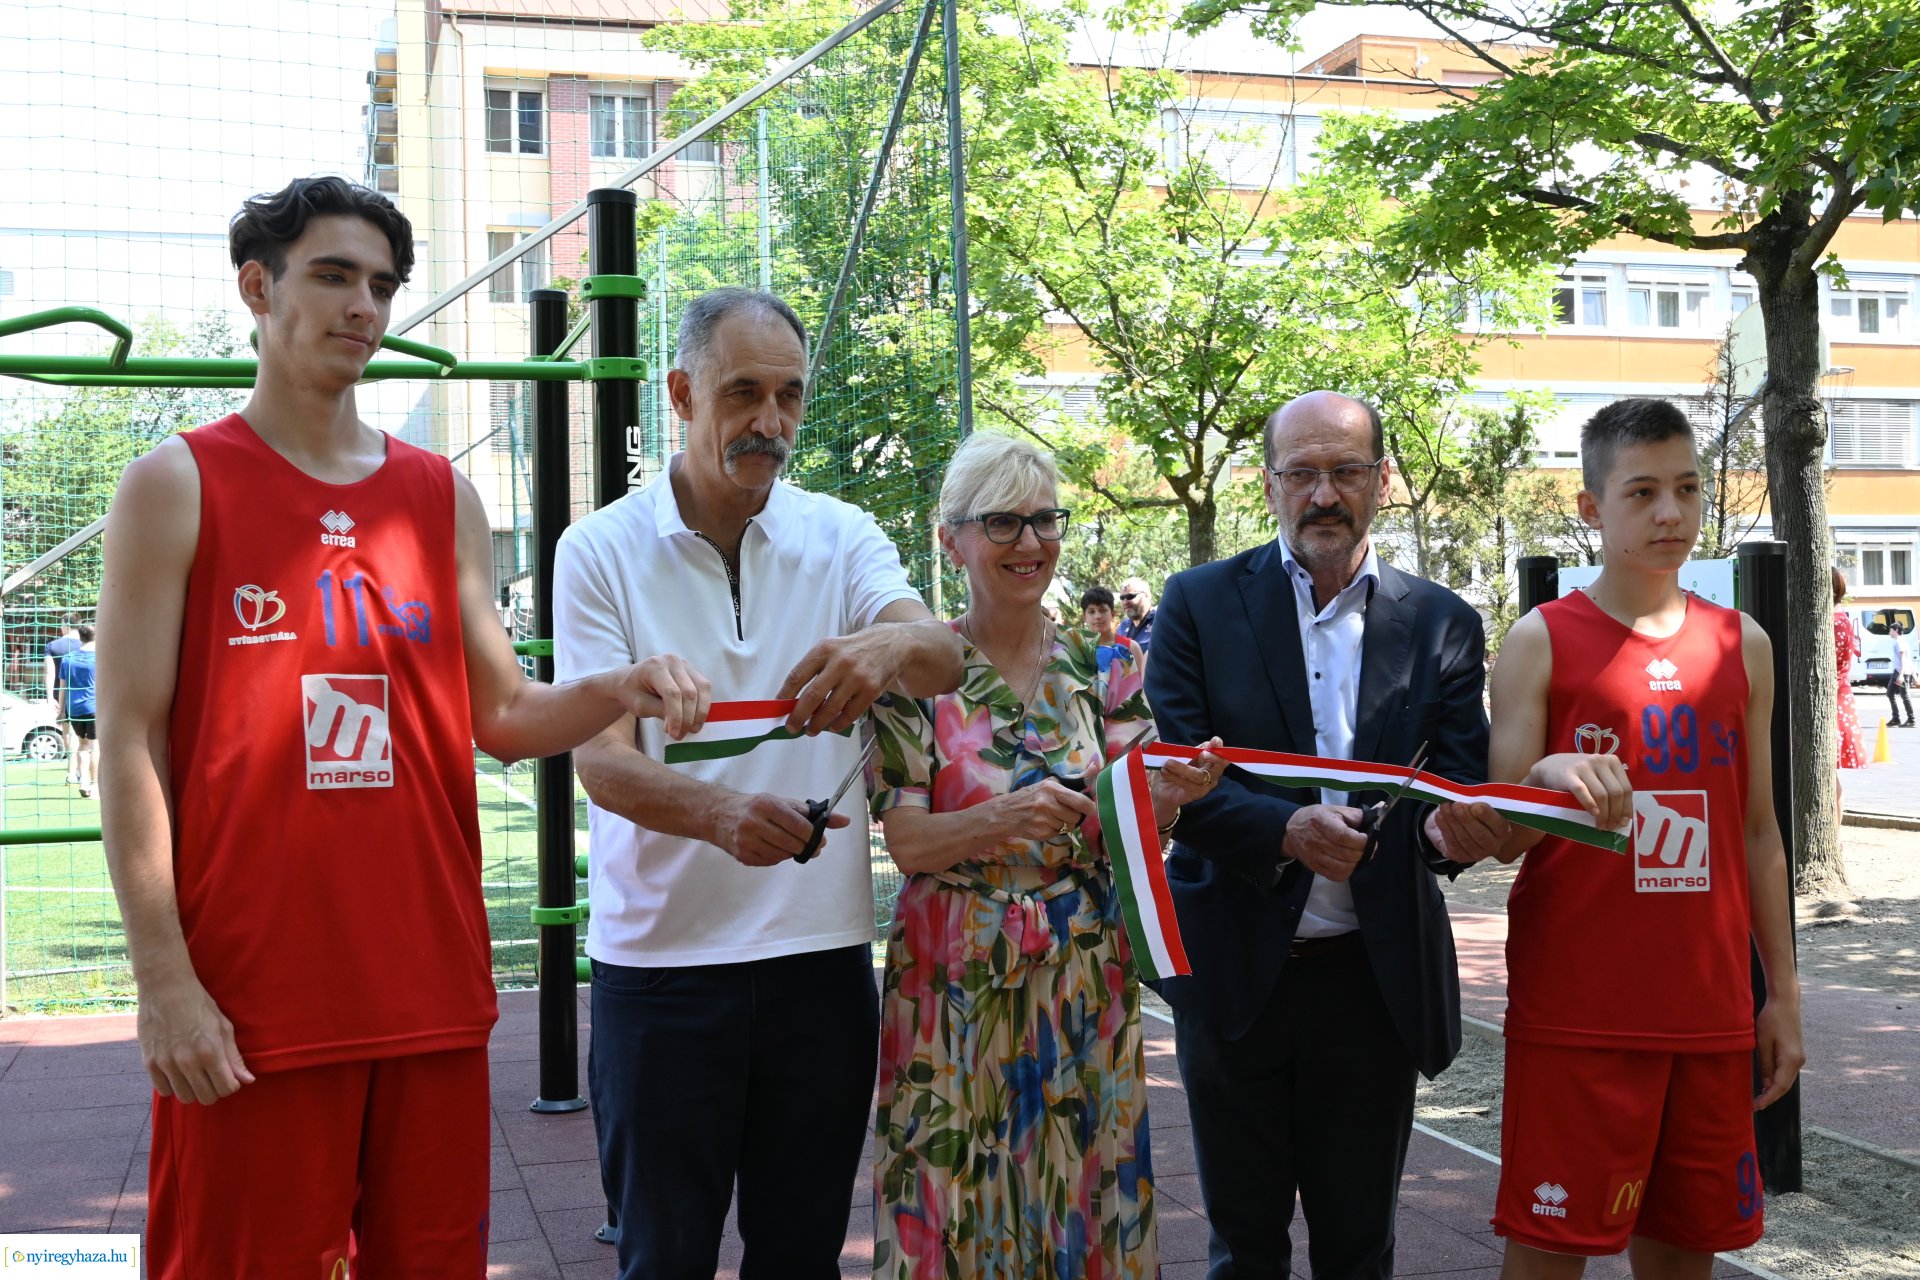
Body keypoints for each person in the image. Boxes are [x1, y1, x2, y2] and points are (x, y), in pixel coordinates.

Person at [97, 176, 706, 1278]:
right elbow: (129, 740)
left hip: (427, 985)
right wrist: (164, 981)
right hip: (250, 1000)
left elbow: (508, 715)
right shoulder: (175, 484)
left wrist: (623, 683)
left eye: (380, 285)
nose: (363, 305)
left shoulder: (439, 495)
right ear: (257, 286)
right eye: (332, 275)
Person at [553, 287, 965, 1280]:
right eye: (744, 393)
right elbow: (602, 760)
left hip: (819, 965)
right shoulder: (598, 548)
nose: (770, 422)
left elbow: (944, 656)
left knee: (801, 1256)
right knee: (664, 1256)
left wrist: (889, 642)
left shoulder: (841, 532)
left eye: (789, 396)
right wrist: (723, 812)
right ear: (683, 393)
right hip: (659, 970)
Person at [1144, 390, 1508, 1278]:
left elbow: (1447, 789)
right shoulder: (1196, 604)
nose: (1323, 495)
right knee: (1245, 1247)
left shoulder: (1442, 622)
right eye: (1301, 473)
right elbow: (1182, 782)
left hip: (1370, 982)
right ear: (1268, 484)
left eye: (1345, 472)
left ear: (1381, 481)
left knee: (1359, 1246)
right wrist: (1285, 832)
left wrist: (1446, 838)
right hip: (1235, 973)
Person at [868, 432, 1223, 1278]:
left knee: (1081, 1180)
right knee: (952, 1183)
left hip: (1080, 963)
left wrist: (1172, 796)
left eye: (1043, 520)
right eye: (1002, 523)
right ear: (949, 538)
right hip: (950, 967)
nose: (1030, 544)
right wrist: (1004, 819)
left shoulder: (1108, 665)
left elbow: (1130, 825)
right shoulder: (914, 672)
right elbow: (909, 841)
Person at [1480, 397, 1803, 1278]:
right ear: (1592, 507)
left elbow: (1761, 835)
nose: (1671, 512)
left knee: (1685, 1259)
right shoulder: (1540, 642)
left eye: (1688, 489)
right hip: (1579, 1015)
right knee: (1549, 1254)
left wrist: (1781, 994)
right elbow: (1498, 829)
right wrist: (1544, 777)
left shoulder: (1747, 646)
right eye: (1643, 492)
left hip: (1705, 1013)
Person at [1833, 571, 1865, 809]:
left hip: (1832, 703)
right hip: (1840, 699)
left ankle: (1833, 838)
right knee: (1829, 777)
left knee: (1827, 778)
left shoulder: (1833, 624)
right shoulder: (1843, 619)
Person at [56, 622, 99, 797]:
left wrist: (61, 712)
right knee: (95, 746)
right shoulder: (99, 658)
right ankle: (95, 784)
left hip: (74, 709)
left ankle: (83, 781)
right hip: (94, 707)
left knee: (82, 744)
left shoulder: (68, 658)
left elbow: (63, 688)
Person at [43, 615, 81, 784]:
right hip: (86, 695)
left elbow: (49, 672)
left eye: (61, 624)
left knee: (68, 734)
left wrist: (50, 696)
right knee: (88, 739)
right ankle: (83, 772)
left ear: (65, 625)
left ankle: (72, 771)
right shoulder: (86, 646)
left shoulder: (53, 646)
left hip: (62, 695)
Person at [1080, 582, 1133, 675]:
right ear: (1084, 616)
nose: (1097, 616)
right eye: (1091, 612)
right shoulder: (1078, 650)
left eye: (1103, 610)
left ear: (1113, 614)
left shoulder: (1130, 647)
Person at [1116, 576, 1156, 651]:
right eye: (1122, 598)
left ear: (1147, 595)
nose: (1125, 602)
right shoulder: (1122, 627)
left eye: (1130, 596)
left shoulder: (1160, 620)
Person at [1889, 620, 1914, 727]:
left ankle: (1911, 720)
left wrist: (1901, 675)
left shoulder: (1900, 642)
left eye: (1890, 630)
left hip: (1901, 673)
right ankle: (1896, 718)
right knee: (1890, 693)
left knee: (1904, 695)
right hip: (1897, 672)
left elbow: (1904, 659)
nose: (1889, 632)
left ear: (1896, 630)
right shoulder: (1900, 641)